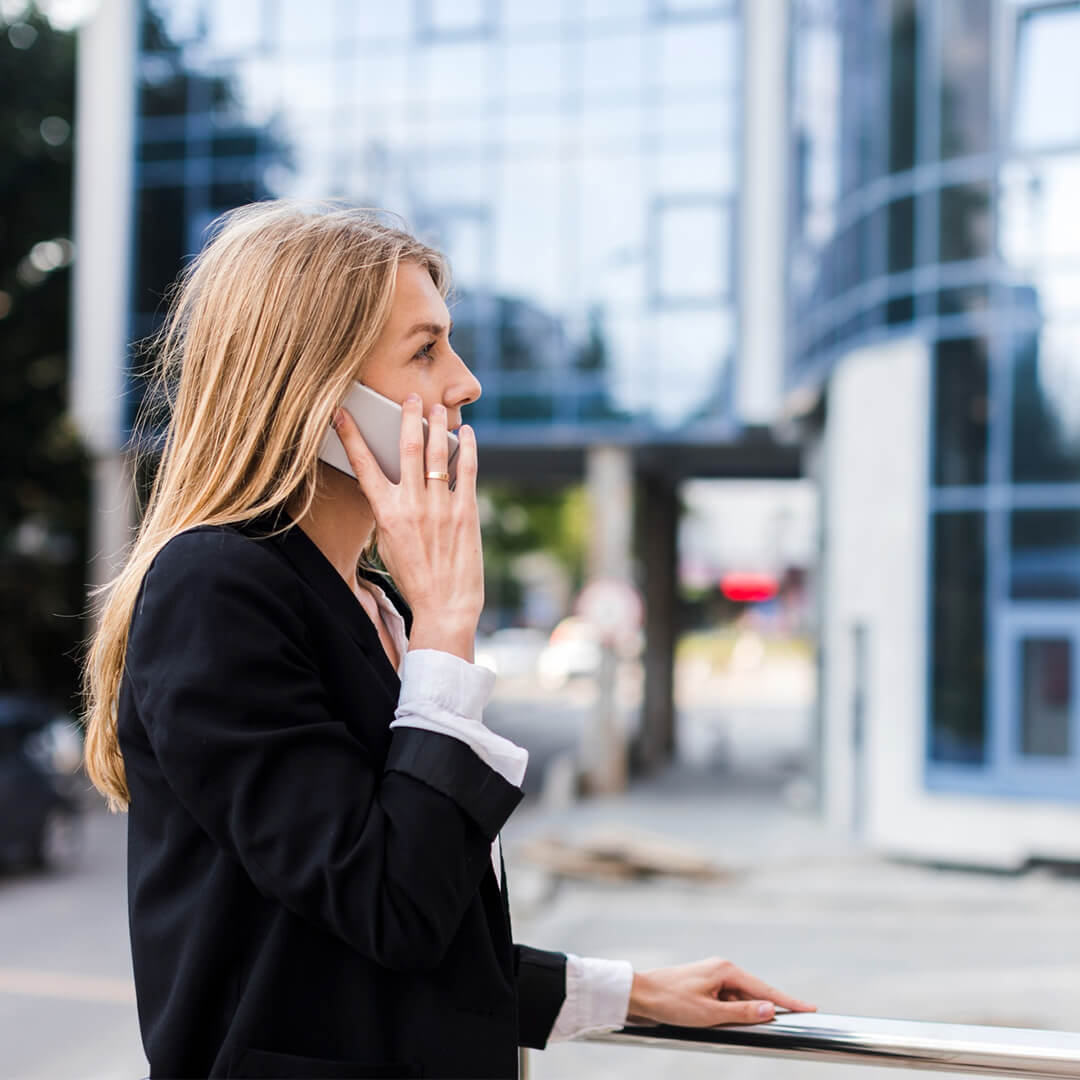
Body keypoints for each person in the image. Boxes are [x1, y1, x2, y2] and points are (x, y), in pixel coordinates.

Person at [82, 201, 815, 1079]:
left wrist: (633, 993)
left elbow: (385, 936)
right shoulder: (218, 587)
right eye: (425, 349)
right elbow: (389, 902)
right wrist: (447, 629)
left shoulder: (368, 602)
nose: (465, 381)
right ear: (315, 389)